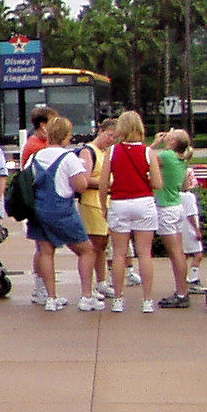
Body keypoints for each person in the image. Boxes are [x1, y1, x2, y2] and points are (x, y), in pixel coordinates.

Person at [27, 115, 98, 310]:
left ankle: (50, 298)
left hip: (38, 209)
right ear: (67, 136)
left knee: (45, 252)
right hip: (61, 209)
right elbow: (81, 186)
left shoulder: (35, 157)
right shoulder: (68, 158)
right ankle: (86, 296)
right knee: (86, 250)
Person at [104, 111, 163, 313]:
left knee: (119, 254)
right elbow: (157, 183)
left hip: (120, 202)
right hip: (143, 201)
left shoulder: (112, 152)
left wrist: (104, 206)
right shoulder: (148, 152)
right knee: (144, 253)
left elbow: (104, 184)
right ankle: (147, 300)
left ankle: (118, 299)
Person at [75, 118, 115, 299]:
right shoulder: (88, 151)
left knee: (102, 245)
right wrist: (106, 183)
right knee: (94, 245)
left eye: (114, 137)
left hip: (106, 201)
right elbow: (85, 179)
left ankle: (101, 281)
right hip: (92, 203)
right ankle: (90, 285)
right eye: (109, 135)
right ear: (100, 131)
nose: (110, 140)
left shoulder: (107, 152)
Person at [152, 130, 192, 306]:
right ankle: (181, 290)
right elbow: (184, 186)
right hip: (176, 205)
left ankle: (182, 293)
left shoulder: (167, 156)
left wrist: (155, 143)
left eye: (171, 133)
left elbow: (146, 157)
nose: (167, 133)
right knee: (178, 253)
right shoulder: (180, 159)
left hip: (166, 207)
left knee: (175, 253)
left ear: (174, 141)